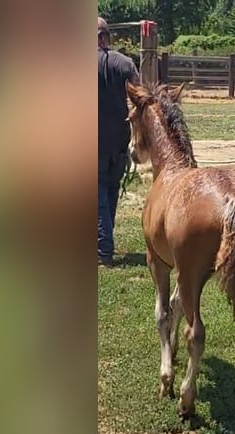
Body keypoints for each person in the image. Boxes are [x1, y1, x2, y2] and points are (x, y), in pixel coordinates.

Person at [98, 16, 139, 267]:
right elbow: (141, 97)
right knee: (110, 192)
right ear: (107, 37)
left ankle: (103, 251)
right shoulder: (125, 63)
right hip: (120, 142)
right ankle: (105, 242)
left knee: (98, 196)